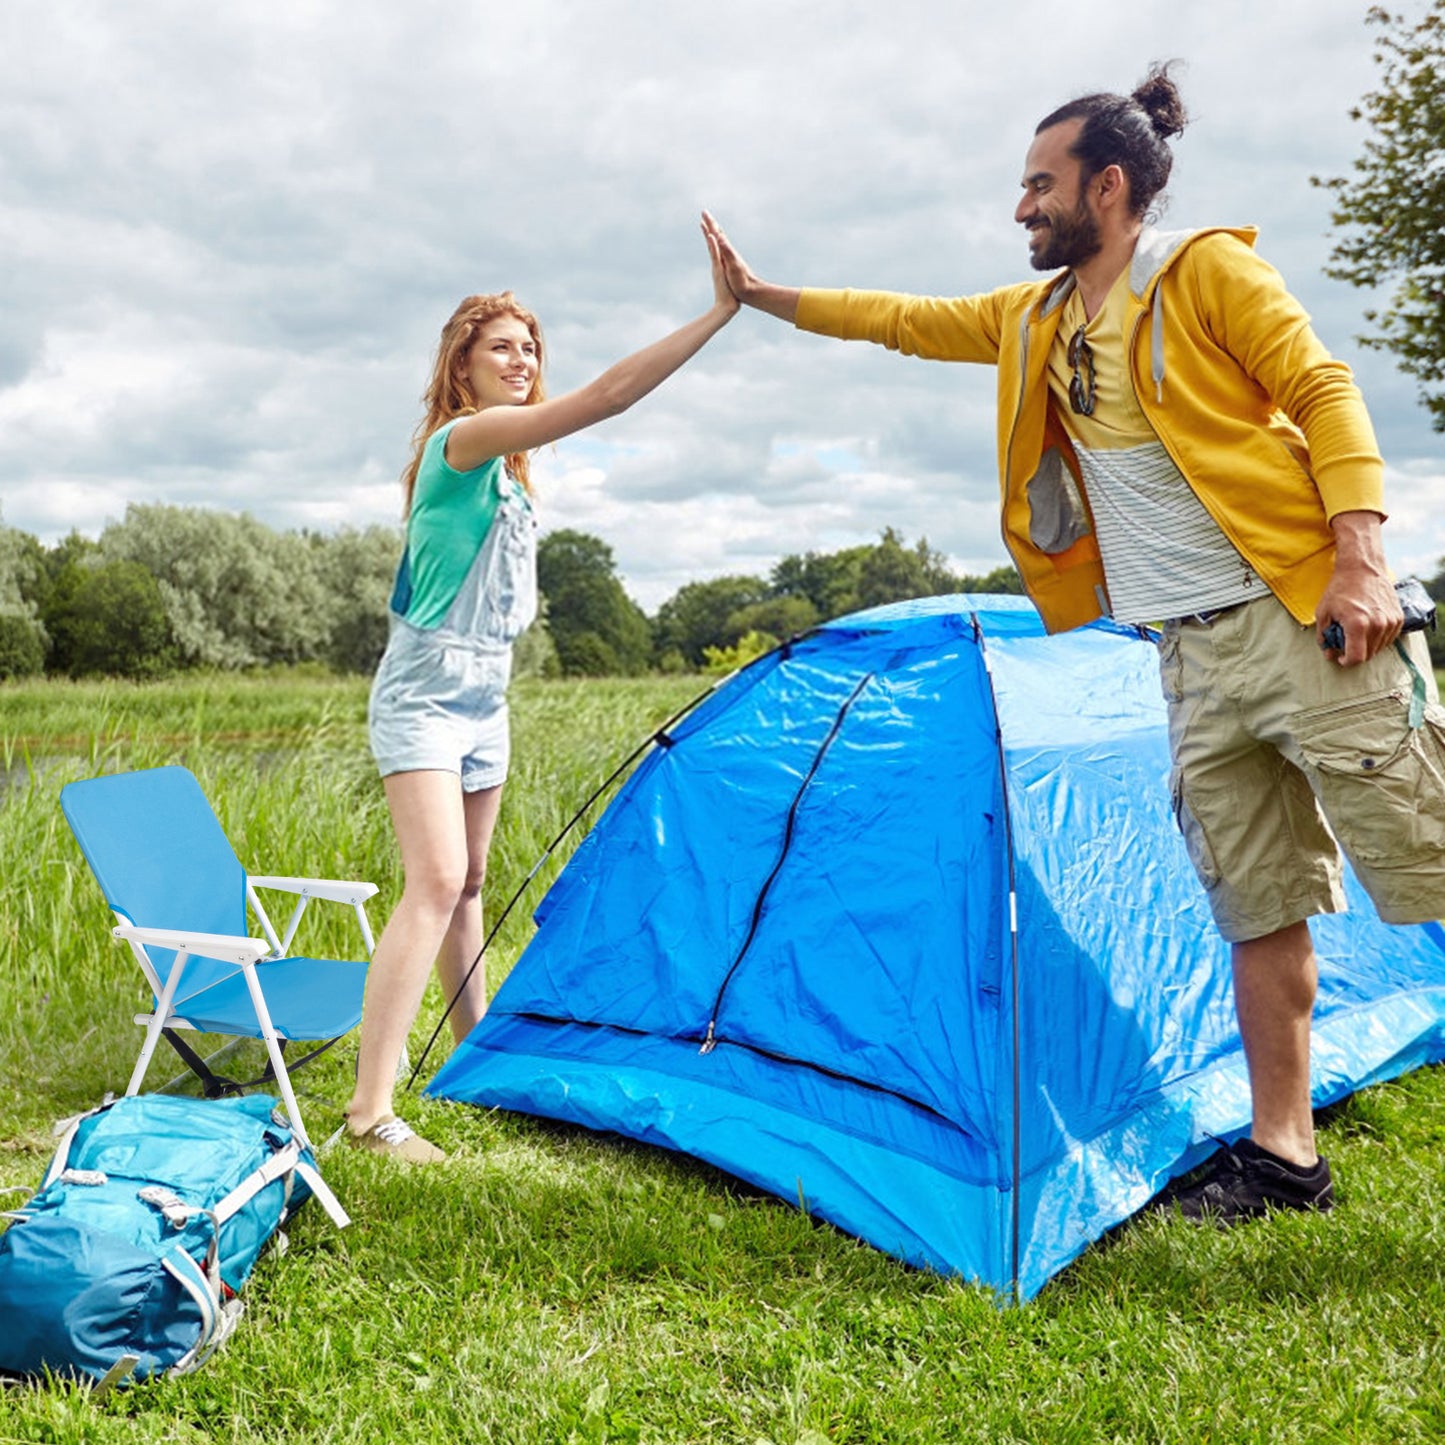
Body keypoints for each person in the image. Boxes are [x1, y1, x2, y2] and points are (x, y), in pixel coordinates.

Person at [703, 62, 1445, 1224]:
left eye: (1036, 185)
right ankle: (1283, 1153)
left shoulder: (1202, 271)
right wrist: (760, 295)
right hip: (1187, 659)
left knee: (1431, 862)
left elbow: (1322, 388)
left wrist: (1357, 558)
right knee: (1255, 906)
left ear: (1107, 187)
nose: (1018, 210)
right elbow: (902, 321)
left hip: (1306, 624)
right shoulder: (1036, 321)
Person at [347, 220, 739, 1161]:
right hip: (425, 695)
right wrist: (719, 314)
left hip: (489, 698)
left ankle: (476, 1052)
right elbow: (605, 398)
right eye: (502, 348)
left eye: (530, 349)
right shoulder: (464, 442)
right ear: (465, 366)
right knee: (436, 880)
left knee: (472, 882)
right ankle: (368, 1111)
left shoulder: (514, 479)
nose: (521, 360)